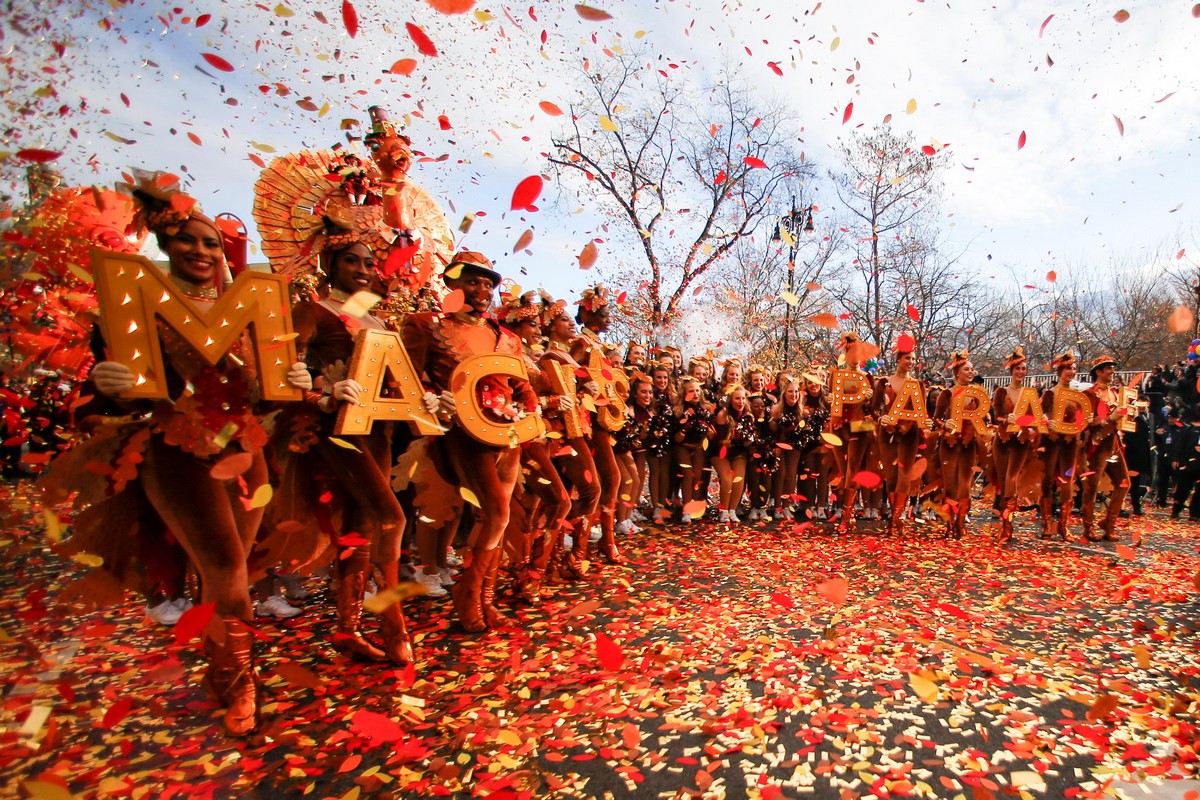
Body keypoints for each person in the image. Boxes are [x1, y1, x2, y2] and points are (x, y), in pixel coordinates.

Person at [41, 174, 311, 736]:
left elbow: (264, 391)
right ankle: (242, 688)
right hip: (175, 448)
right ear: (163, 244)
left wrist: (296, 378)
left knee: (228, 569)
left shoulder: (251, 314)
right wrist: (105, 381)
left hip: (246, 449)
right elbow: (95, 398)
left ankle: (219, 670)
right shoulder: (132, 308)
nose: (201, 250)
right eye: (188, 239)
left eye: (212, 242)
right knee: (226, 567)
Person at [402, 251, 539, 631]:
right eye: (472, 282)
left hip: (506, 435)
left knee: (498, 515)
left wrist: (528, 411)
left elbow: (522, 386)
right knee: (496, 511)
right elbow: (407, 376)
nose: (481, 290)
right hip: (461, 432)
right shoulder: (424, 324)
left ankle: (483, 597)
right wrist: (431, 397)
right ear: (451, 283)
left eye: (487, 284)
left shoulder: (507, 338)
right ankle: (469, 593)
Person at [570, 285, 624, 564]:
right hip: (585, 420)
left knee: (610, 478)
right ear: (588, 315)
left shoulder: (598, 346)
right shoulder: (581, 343)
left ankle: (604, 538)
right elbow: (565, 373)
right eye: (603, 314)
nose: (608, 319)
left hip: (600, 420)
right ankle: (584, 545)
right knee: (604, 479)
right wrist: (582, 389)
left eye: (608, 314)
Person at [872, 336, 933, 536]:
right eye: (907, 358)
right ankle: (893, 515)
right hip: (887, 432)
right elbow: (873, 409)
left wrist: (927, 424)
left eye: (913, 359)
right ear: (899, 359)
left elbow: (922, 412)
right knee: (891, 476)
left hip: (910, 433)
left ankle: (897, 519)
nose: (910, 362)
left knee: (904, 476)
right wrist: (881, 419)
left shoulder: (917, 385)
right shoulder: (884, 382)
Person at [990, 347, 1041, 544]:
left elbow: (1035, 417)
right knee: (1004, 482)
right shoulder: (1002, 392)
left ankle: (1008, 526)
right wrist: (1005, 419)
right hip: (1003, 440)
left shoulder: (1031, 394)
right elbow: (996, 415)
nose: (1021, 372)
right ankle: (1005, 524)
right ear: (1011, 371)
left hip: (1021, 441)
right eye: (1018, 368)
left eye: (1024, 368)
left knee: (1012, 478)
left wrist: (1035, 424)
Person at [934, 350, 984, 539]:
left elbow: (982, 419)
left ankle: (961, 524)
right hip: (949, 444)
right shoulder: (947, 394)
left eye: (972, 369)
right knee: (950, 485)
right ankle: (949, 524)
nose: (971, 372)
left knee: (965, 485)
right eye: (967, 369)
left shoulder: (979, 395)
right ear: (957, 373)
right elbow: (936, 419)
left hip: (968, 445)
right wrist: (944, 424)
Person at [1080, 355, 1130, 541]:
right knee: (1092, 486)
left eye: (1112, 367)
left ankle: (1108, 523)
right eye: (1108, 368)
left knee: (1124, 483)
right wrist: (1110, 418)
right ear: (1098, 372)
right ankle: (1088, 527)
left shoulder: (1116, 393)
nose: (1112, 371)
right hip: (1097, 445)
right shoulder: (1090, 394)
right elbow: (1085, 422)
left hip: (1114, 444)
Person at [1038, 352, 1087, 540]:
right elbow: (1038, 413)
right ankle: (1047, 523)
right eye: (1068, 368)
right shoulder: (1050, 393)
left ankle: (1063, 525)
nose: (1071, 372)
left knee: (1068, 483)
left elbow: (1081, 419)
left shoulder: (1078, 396)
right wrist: (1044, 420)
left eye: (1074, 369)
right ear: (1060, 371)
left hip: (1069, 443)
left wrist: (1086, 420)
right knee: (1047, 480)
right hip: (1051, 442)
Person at [828, 333, 874, 533]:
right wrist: (830, 399)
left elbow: (873, 409)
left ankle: (847, 515)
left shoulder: (868, 377)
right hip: (839, 423)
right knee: (843, 467)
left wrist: (870, 399)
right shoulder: (836, 375)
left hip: (861, 425)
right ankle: (846, 509)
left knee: (853, 468)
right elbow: (832, 402)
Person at [672, 377, 715, 523]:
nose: (695, 393)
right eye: (691, 391)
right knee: (687, 473)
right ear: (684, 393)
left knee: (697, 476)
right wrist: (685, 427)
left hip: (698, 446)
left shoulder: (706, 408)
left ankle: (694, 508)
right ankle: (686, 509)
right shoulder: (678, 410)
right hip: (682, 446)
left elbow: (712, 435)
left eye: (697, 390)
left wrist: (706, 426)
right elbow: (677, 439)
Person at [711, 385, 755, 524]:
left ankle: (732, 510)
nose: (741, 401)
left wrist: (749, 441)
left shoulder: (748, 415)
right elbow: (718, 440)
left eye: (743, 398)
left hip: (738, 452)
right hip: (720, 452)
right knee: (727, 478)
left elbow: (749, 437)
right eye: (737, 398)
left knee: (739, 479)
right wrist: (727, 441)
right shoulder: (723, 415)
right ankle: (723, 511)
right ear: (730, 399)